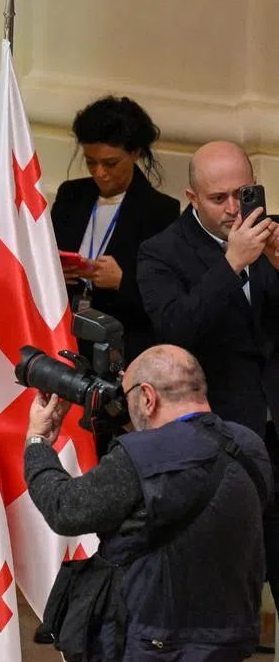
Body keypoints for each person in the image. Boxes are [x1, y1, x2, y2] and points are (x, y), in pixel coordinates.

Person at [25, 345, 270, 662]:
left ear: (148, 397)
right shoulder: (249, 445)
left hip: (155, 647)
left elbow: (65, 509)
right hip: (226, 641)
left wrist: (38, 441)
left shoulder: (141, 456)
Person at [137, 141, 279, 591]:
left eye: (245, 193)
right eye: (219, 199)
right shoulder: (161, 252)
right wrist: (232, 261)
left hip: (276, 429)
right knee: (218, 579)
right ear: (191, 197)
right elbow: (176, 330)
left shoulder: (273, 235)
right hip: (219, 436)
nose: (235, 209)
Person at [51, 96, 180, 372]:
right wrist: (55, 272)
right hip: (63, 337)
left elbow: (167, 299)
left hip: (121, 347)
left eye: (110, 163)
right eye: (91, 162)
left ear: (134, 154)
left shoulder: (160, 211)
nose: (100, 173)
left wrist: (123, 281)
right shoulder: (70, 196)